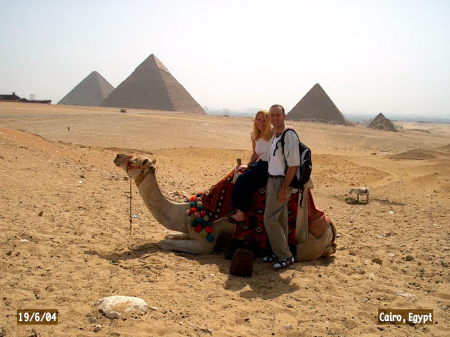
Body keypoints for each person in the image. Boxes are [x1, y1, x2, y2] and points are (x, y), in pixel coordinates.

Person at [263, 104, 300, 270]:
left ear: (284, 116)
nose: (275, 118)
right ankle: (279, 253)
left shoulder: (289, 135)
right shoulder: (276, 135)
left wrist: (285, 187)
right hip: (273, 180)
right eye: (272, 115)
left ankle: (285, 256)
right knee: (279, 219)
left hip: (281, 181)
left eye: (278, 115)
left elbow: (294, 164)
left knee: (269, 219)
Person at [229, 110, 274, 223]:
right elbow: (255, 153)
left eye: (264, 120)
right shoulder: (254, 135)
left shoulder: (274, 132)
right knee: (238, 175)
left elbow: (287, 129)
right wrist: (247, 165)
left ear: (269, 121)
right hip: (261, 164)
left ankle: (241, 213)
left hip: (272, 166)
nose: (261, 122)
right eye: (258, 119)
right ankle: (234, 207)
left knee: (243, 180)